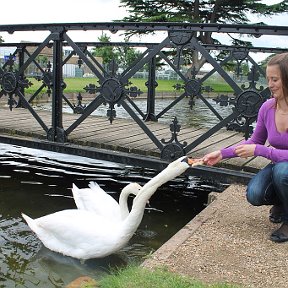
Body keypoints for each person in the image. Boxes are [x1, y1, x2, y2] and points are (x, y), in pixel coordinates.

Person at [202, 52, 288, 243]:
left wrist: (261, 151)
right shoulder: (267, 107)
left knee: (283, 171)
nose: (270, 84)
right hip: (280, 165)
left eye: (275, 79)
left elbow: (258, 148)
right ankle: (283, 203)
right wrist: (222, 154)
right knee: (254, 194)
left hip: (284, 168)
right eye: (268, 79)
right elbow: (255, 141)